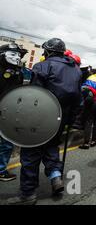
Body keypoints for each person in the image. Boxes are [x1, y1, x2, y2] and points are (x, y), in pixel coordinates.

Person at [8, 38, 82, 205]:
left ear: (48, 51)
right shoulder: (75, 69)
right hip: (61, 119)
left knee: (30, 154)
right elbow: (78, 98)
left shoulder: (42, 66)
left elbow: (34, 95)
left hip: (40, 118)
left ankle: (28, 194)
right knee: (51, 146)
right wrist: (71, 119)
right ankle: (56, 176)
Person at [0, 43, 28, 182]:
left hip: (9, 112)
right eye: (13, 54)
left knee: (7, 142)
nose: (17, 57)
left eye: (18, 54)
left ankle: (0, 169)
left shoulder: (19, 72)